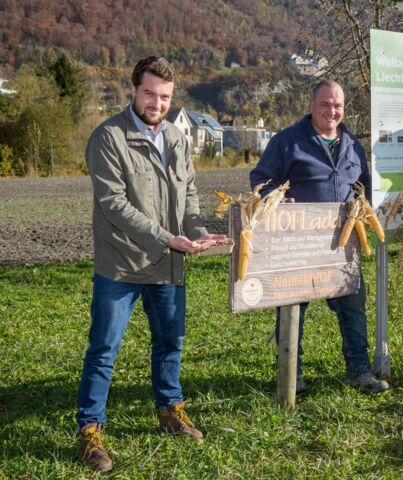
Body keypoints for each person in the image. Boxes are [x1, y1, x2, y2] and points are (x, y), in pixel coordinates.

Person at [76, 56, 227, 472]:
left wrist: (196, 231)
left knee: (169, 344)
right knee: (104, 350)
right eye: (149, 94)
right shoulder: (108, 138)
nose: (156, 103)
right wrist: (167, 238)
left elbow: (189, 194)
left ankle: (170, 410)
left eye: (164, 97)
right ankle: (90, 430)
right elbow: (114, 205)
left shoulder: (177, 138)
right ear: (133, 90)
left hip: (169, 266)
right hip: (120, 267)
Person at [250, 79, 389, 395]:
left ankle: (359, 372)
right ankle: (292, 375)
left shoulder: (353, 145)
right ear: (312, 106)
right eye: (325, 104)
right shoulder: (288, 141)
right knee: (293, 311)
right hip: (299, 246)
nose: (332, 111)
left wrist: (362, 201)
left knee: (354, 308)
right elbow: (261, 179)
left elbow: (363, 185)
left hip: (341, 247)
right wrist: (275, 199)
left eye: (338, 105)